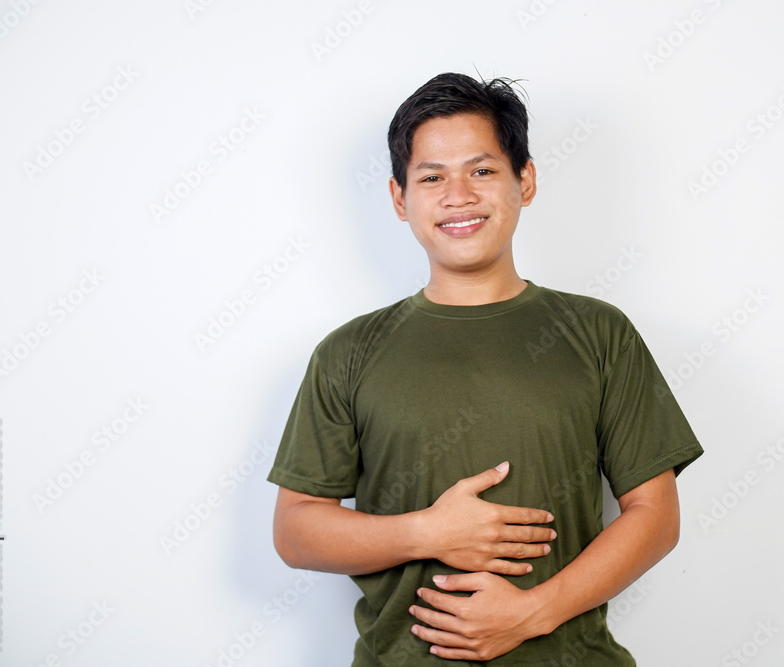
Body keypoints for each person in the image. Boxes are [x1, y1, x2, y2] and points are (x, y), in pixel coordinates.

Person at [267, 72, 703, 665]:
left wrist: (532, 612)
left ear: (523, 181)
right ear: (399, 198)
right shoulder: (348, 352)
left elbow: (655, 517)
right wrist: (427, 531)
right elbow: (295, 531)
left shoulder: (600, 333)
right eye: (431, 177)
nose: (458, 195)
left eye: (481, 170)